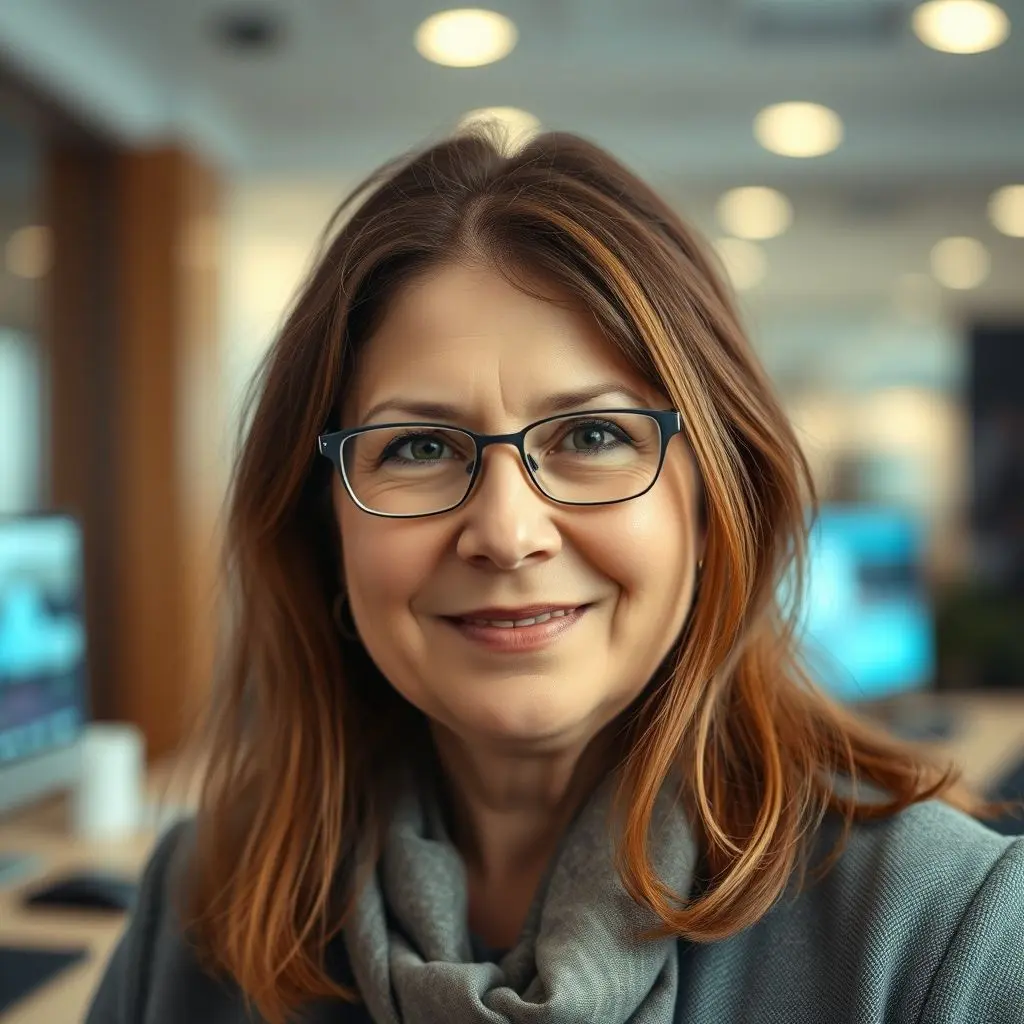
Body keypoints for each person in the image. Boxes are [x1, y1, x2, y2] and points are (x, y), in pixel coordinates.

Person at [86, 130, 1023, 1024]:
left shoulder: (947, 934)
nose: (505, 532)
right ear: (324, 524)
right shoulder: (198, 903)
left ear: (711, 505)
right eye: (416, 446)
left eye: (593, 436)